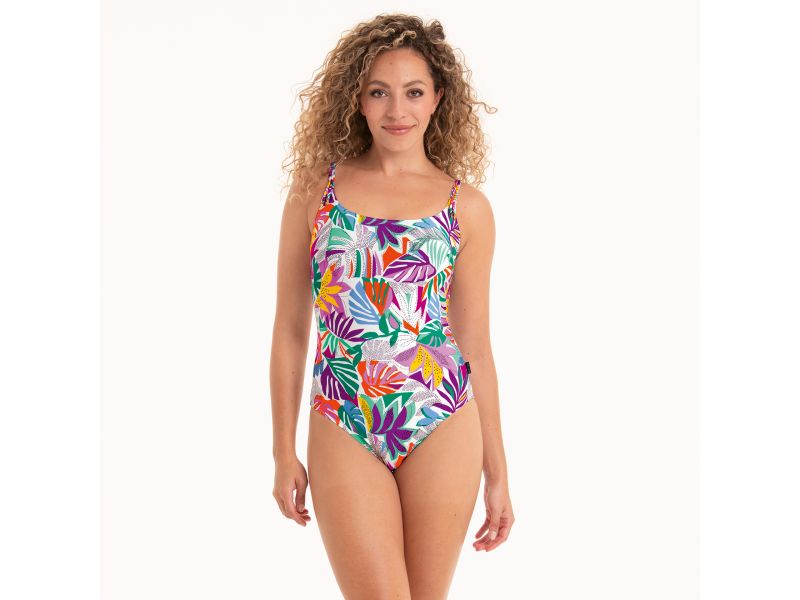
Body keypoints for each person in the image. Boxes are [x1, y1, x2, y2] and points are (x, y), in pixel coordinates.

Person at [269, 13, 514, 599]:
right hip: (343, 416)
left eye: (413, 92)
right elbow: (290, 329)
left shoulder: (466, 209)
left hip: (441, 417)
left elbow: (475, 345)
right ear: (356, 99)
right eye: (379, 92)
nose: (396, 110)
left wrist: (498, 472)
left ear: (438, 99)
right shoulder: (316, 192)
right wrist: (282, 451)